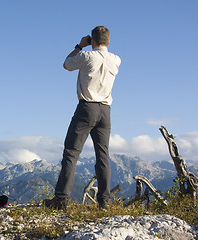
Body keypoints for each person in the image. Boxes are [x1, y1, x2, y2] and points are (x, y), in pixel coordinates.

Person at [44, 26, 121, 210]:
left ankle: (61, 200)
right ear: (108, 41)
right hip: (106, 111)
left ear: (92, 40)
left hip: (87, 108)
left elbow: (67, 64)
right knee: (103, 156)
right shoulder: (116, 60)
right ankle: (105, 202)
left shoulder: (87, 56)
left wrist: (79, 45)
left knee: (71, 152)